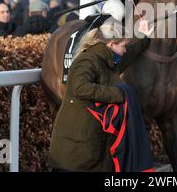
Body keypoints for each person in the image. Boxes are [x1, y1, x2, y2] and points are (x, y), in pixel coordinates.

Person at [48, 20, 153, 172]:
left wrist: (143, 37)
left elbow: (130, 53)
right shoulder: (87, 60)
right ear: (111, 44)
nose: (124, 50)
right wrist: (120, 93)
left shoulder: (108, 60)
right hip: (77, 146)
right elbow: (80, 87)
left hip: (92, 140)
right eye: (123, 46)